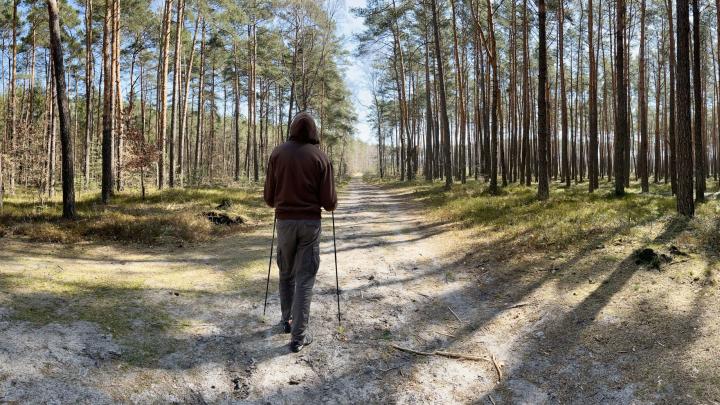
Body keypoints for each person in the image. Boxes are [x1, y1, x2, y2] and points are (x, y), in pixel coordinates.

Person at [263, 111, 337, 353]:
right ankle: (298, 337)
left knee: (286, 273)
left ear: (292, 129)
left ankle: (287, 321)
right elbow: (329, 202)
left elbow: (269, 198)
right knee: (305, 279)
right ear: (314, 132)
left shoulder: (277, 153)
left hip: (284, 223)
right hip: (310, 225)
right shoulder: (320, 157)